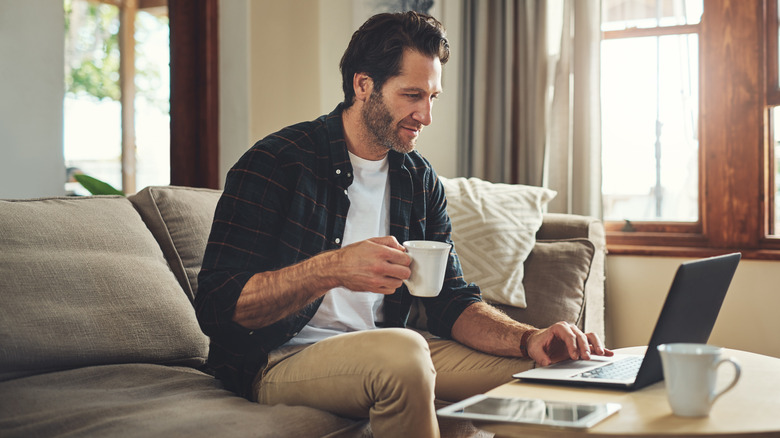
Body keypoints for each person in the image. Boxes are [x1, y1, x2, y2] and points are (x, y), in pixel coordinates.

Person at [195, 11, 612, 438]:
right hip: (280, 358)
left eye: (433, 97)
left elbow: (451, 301)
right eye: (412, 95)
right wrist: (333, 268)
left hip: (393, 346)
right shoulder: (277, 162)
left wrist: (530, 338)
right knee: (404, 349)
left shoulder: (417, 178)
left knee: (555, 373)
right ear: (363, 85)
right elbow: (217, 306)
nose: (425, 115)